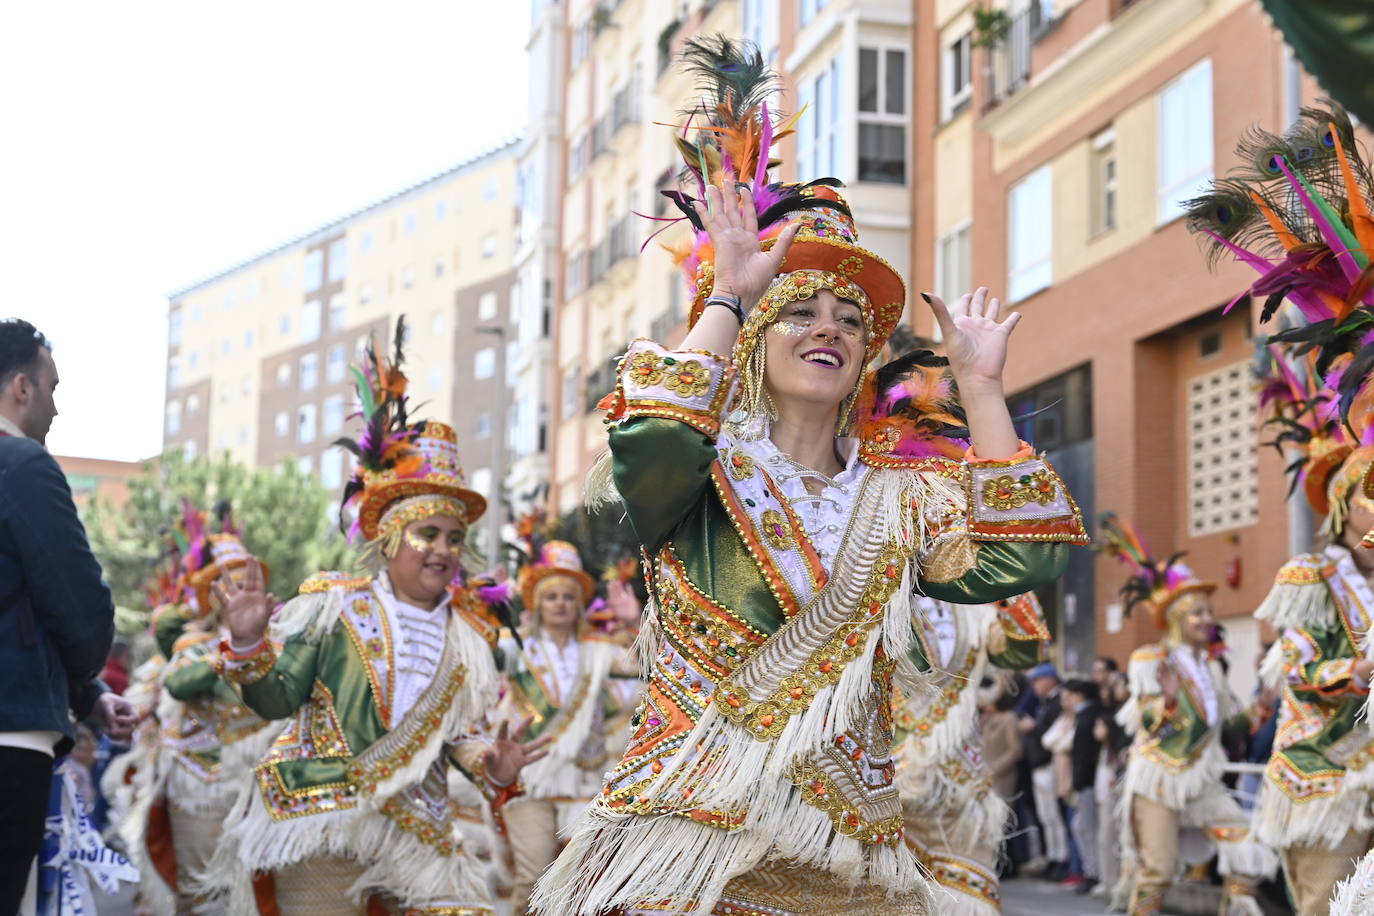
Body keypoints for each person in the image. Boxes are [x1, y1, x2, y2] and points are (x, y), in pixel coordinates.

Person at [530, 37, 1087, 916]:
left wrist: (981, 391)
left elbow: (1025, 560)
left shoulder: (902, 498)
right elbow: (656, 440)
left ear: (869, 355)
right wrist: (729, 294)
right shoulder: (704, 471)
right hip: (699, 850)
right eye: (800, 311)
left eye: (849, 320)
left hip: (852, 858)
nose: (828, 328)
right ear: (756, 335)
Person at [215, 322, 550, 915]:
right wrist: (246, 644)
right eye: (428, 534)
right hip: (324, 817)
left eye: (454, 537)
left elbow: (457, 736)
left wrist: (488, 763)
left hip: (420, 828)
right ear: (390, 539)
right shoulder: (331, 604)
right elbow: (276, 696)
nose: (443, 549)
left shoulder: (471, 637)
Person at [0, 318, 136, 911]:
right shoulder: (23, 465)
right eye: (52, 388)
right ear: (20, 388)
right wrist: (87, 673)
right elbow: (81, 615)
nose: (56, 408)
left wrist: (86, 694)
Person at [1101, 514, 1277, 916]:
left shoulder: (1211, 668)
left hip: (1202, 779)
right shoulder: (1150, 659)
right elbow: (1147, 724)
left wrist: (1260, 706)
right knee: (1158, 871)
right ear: (1177, 618)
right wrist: (1167, 701)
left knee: (1244, 847)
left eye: (1208, 613)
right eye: (1197, 613)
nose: (1207, 620)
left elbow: (1223, 727)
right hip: (1161, 778)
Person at [1251, 444, 1374, 915]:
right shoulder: (1311, 576)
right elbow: (1300, 672)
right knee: (1327, 905)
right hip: (1326, 771)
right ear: (1343, 502)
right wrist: (1361, 670)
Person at [150, 509, 280, 912]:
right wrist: (230, 653)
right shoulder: (194, 646)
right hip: (203, 777)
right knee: (202, 890)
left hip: (262, 781)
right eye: (231, 584)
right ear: (215, 596)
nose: (241, 591)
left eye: (247, 582)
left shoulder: (279, 646)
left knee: (257, 889)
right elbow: (177, 684)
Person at [497, 539, 636, 913]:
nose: (559, 603)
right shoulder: (515, 647)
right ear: (536, 604)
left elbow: (650, 669)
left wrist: (633, 622)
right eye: (551, 596)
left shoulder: (600, 649)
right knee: (533, 877)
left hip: (585, 781)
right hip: (531, 780)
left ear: (579, 605)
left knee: (585, 879)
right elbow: (476, 659)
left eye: (568, 597)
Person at [894, 593, 1050, 914]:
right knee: (889, 894)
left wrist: (1012, 586)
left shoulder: (976, 608)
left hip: (961, 780)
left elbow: (1026, 651)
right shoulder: (878, 584)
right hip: (887, 775)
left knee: (970, 895)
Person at [1018, 661, 1069, 880]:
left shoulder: (1057, 702)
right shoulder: (1044, 702)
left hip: (1049, 764)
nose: (1034, 686)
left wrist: (1034, 728)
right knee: (1046, 816)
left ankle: (1062, 858)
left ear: (1050, 680)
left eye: (1037, 681)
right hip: (1038, 765)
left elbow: (1051, 735)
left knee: (1054, 815)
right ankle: (1053, 856)